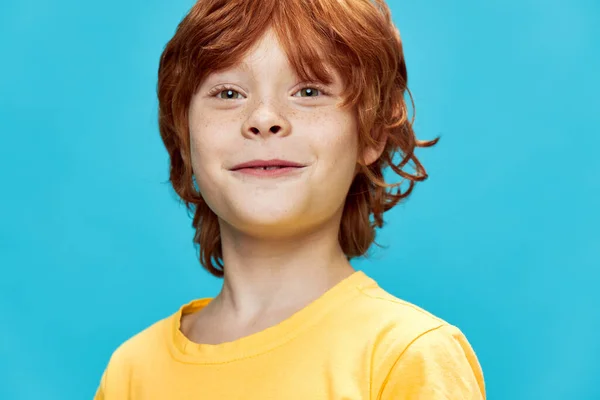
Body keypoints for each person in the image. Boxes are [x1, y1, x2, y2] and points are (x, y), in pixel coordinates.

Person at [94, 0, 486, 398]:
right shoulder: (132, 370)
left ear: (370, 135)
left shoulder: (407, 355)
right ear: (185, 138)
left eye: (310, 90)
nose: (264, 118)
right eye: (228, 93)